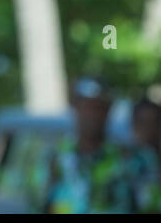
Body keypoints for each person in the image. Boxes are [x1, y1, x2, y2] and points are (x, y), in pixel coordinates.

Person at [40, 77, 158, 213]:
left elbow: (152, 205)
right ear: (75, 107)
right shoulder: (54, 160)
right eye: (88, 106)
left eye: (100, 107)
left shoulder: (135, 159)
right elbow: (38, 203)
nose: (93, 115)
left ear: (109, 110)